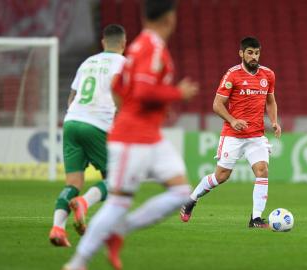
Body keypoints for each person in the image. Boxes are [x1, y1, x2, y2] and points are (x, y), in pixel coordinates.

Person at [63, 0, 198, 269]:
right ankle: (77, 262)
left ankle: (119, 230)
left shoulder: (137, 47)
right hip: (133, 137)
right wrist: (176, 94)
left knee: (182, 191)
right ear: (170, 19)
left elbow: (118, 86)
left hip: (148, 134)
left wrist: (134, 111)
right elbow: (145, 91)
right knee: (118, 202)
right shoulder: (152, 48)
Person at [180, 37, 281, 228]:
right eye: (250, 52)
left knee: (262, 170)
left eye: (257, 52)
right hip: (233, 135)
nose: (254, 56)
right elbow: (217, 105)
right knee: (222, 176)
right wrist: (233, 120)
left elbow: (271, 101)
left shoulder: (268, 75)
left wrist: (274, 121)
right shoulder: (232, 75)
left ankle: (256, 219)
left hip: (256, 135)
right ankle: (191, 199)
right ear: (241, 53)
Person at [49, 24, 127, 247]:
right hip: (98, 124)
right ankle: (83, 203)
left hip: (72, 121)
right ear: (124, 43)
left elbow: (71, 99)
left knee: (73, 182)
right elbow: (125, 101)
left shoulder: (87, 63)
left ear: (103, 43)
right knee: (116, 179)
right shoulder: (124, 64)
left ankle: (58, 228)